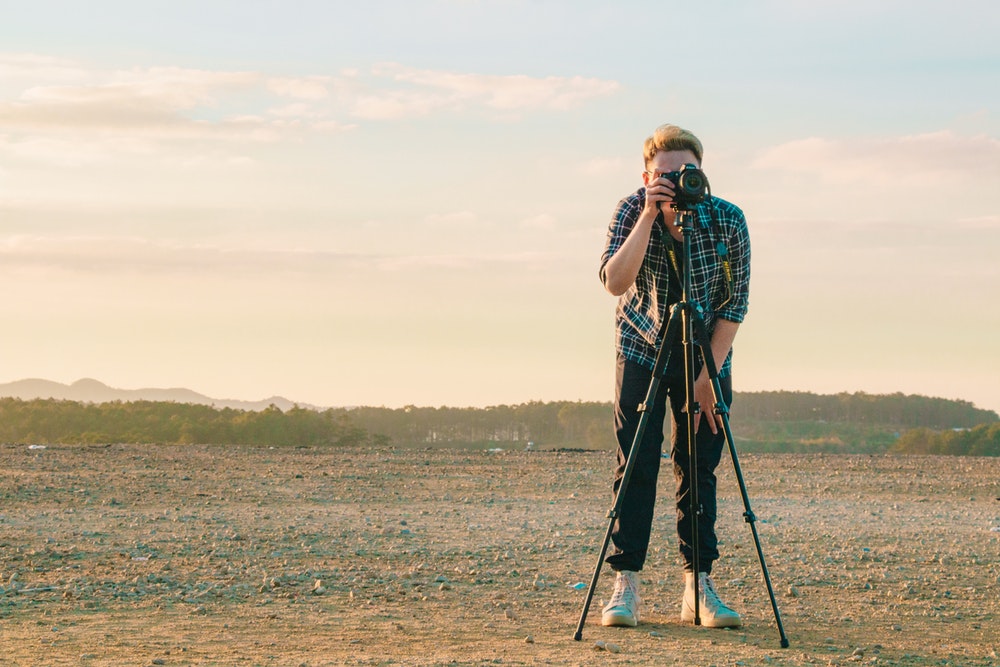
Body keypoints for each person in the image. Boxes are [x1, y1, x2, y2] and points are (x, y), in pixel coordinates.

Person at [597, 124, 751, 629]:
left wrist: (709, 372)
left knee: (699, 463)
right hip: (641, 343)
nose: (674, 182)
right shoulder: (630, 210)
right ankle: (626, 585)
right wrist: (648, 214)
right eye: (662, 175)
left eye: (686, 172)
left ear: (701, 174)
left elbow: (735, 303)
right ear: (646, 176)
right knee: (636, 461)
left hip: (704, 347)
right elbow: (614, 282)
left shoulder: (728, 220)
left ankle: (698, 585)